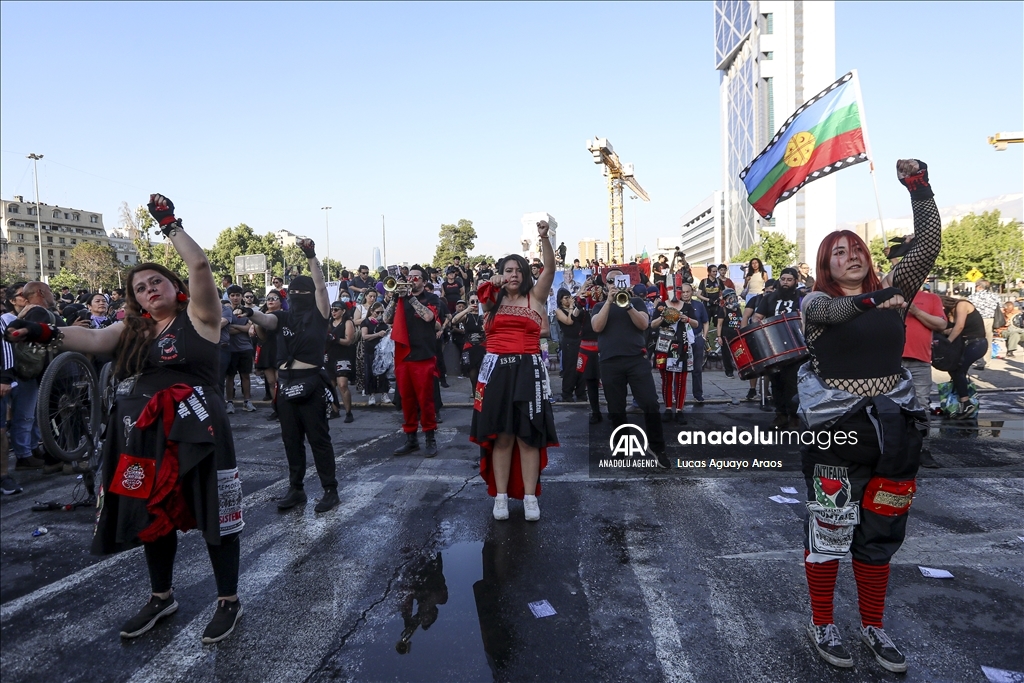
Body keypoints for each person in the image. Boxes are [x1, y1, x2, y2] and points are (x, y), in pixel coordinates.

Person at [7, 195, 244, 643]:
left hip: (199, 431)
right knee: (149, 514)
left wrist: (169, 224)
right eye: (139, 287)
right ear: (133, 299)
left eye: (157, 282)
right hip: (141, 434)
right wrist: (45, 331)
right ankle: (161, 596)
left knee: (216, 514)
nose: (149, 289)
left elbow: (200, 268)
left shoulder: (201, 317)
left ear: (175, 289)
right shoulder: (130, 329)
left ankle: (228, 601)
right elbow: (90, 338)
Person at [796, 160, 941, 673]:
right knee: (831, 531)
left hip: (894, 431)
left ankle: (874, 626)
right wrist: (881, 297)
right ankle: (823, 622)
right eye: (840, 252)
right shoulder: (815, 300)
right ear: (826, 265)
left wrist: (918, 187)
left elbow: (927, 244)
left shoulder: (895, 294)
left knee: (881, 533)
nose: (851, 256)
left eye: (857, 249)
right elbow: (836, 314)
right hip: (835, 436)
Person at [238, 241, 340, 513]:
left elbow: (319, 287)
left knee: (319, 440)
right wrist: (251, 313)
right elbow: (267, 320)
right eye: (292, 291)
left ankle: (330, 490)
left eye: (301, 291)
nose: (296, 295)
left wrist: (311, 256)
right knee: (291, 441)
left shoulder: (320, 315)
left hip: (312, 385)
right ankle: (296, 489)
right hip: (285, 387)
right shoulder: (282, 317)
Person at [470, 220, 557, 521]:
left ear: (525, 274)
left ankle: (531, 497)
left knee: (528, 437)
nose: (514, 274)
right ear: (501, 274)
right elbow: (482, 293)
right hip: (496, 372)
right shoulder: (490, 299)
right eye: (509, 270)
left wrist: (544, 238)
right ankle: (501, 497)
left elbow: (550, 266)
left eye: (519, 270)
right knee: (502, 436)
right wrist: (492, 283)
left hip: (528, 371)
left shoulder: (536, 297)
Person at [591, 267, 668, 467]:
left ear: (626, 283)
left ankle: (657, 448)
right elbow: (597, 327)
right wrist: (609, 302)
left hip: (636, 360)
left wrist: (627, 306)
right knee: (616, 409)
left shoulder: (636, 301)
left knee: (650, 403)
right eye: (610, 281)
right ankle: (622, 448)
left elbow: (644, 324)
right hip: (609, 362)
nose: (614, 284)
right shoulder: (599, 306)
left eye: (618, 280)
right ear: (606, 285)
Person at [386, 265, 442, 457]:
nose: (411, 280)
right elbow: (386, 319)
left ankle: (430, 438)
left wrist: (410, 297)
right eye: (409, 277)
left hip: (423, 356)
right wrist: (395, 298)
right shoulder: (400, 299)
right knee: (407, 400)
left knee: (425, 400)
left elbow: (428, 317)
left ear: (424, 282)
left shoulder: (432, 298)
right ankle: (411, 439)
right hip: (404, 356)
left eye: (416, 277)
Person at [755, 267, 804, 427]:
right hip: (774, 346)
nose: (785, 283)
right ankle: (780, 415)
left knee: (793, 383)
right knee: (777, 382)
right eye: (783, 279)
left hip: (796, 347)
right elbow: (758, 317)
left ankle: (795, 417)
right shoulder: (769, 298)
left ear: (796, 281)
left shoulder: (802, 297)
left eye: (789, 280)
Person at [650, 287, 699, 424]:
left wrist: (687, 319)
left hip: (682, 346)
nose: (678, 292)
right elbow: (652, 325)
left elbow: (696, 324)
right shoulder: (661, 305)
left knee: (681, 380)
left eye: (680, 289)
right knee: (666, 379)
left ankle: (679, 409)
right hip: (665, 346)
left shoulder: (688, 306)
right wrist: (663, 316)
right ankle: (667, 408)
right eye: (674, 288)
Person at [940, 295, 987, 416]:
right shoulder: (947, 312)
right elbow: (943, 328)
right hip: (962, 344)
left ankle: (966, 403)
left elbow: (959, 326)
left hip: (976, 342)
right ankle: (963, 398)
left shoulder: (962, 304)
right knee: (953, 369)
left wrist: (947, 342)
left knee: (959, 369)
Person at [222, 285, 256, 413]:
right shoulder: (225, 311)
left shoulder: (248, 311)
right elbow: (227, 329)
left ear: (242, 296)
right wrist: (242, 328)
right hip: (229, 349)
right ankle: (229, 402)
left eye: (237, 295)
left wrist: (234, 326)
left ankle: (247, 401)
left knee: (245, 376)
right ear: (229, 297)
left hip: (245, 348)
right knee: (230, 377)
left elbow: (249, 328)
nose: (235, 297)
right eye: (232, 295)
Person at [676, 283, 709, 403]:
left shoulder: (699, 305)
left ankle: (698, 394)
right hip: (681, 340)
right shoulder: (676, 305)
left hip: (697, 338)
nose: (685, 294)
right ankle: (678, 395)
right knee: (679, 368)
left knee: (697, 368)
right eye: (683, 292)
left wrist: (704, 337)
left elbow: (705, 322)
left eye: (687, 292)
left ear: (692, 292)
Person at [326, 300, 357, 423]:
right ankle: (335, 410)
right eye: (332, 309)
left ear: (343, 311)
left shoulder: (347, 322)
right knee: (331, 385)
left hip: (343, 356)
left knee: (342, 384)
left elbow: (349, 341)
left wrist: (335, 339)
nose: (333, 312)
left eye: (336, 309)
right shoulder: (329, 322)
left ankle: (349, 412)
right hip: (330, 356)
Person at [451, 294, 486, 399]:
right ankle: (475, 392)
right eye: (472, 301)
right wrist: (467, 310)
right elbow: (454, 321)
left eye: (477, 301)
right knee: (472, 374)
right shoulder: (467, 315)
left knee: (483, 373)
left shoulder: (483, 315)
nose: (475, 304)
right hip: (469, 347)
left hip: (482, 346)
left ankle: (482, 394)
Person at [254, 290, 282, 418]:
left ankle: (285, 409)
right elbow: (261, 337)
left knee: (280, 382)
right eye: (268, 298)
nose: (270, 300)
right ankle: (276, 408)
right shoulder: (262, 315)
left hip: (281, 350)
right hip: (267, 350)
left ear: (280, 301)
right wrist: (256, 325)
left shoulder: (284, 315)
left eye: (274, 298)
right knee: (271, 382)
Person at [360, 302, 390, 405]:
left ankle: (384, 393)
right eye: (377, 312)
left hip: (382, 351)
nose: (379, 314)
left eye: (382, 312)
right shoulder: (366, 322)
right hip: (370, 350)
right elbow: (364, 336)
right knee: (370, 372)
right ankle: (371, 394)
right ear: (372, 312)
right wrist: (378, 334)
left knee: (383, 372)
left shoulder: (383, 323)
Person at [715, 288, 744, 380]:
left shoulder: (738, 309)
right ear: (726, 299)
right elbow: (719, 324)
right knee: (726, 354)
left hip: (737, 333)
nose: (733, 299)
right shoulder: (723, 310)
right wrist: (719, 337)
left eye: (734, 297)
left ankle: (741, 370)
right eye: (730, 297)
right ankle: (729, 371)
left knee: (739, 353)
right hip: (726, 335)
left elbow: (741, 320)